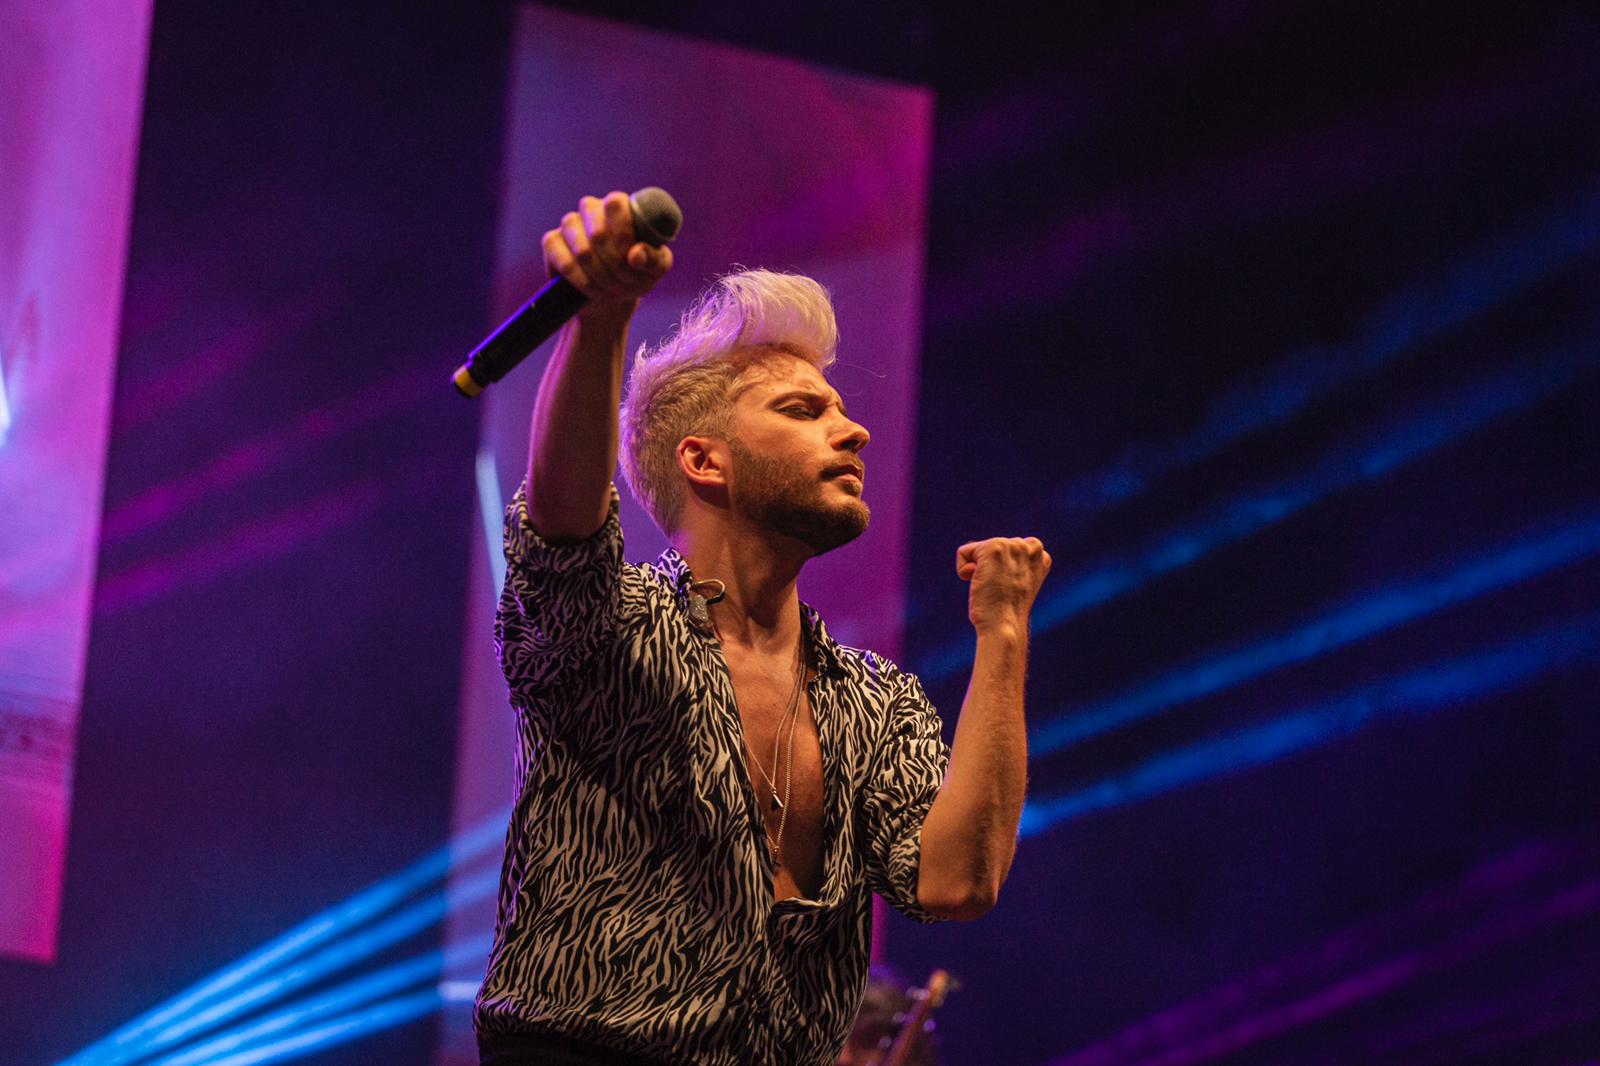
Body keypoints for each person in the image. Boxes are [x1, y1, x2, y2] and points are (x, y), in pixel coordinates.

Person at [473, 191, 1051, 1066]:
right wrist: (603, 317)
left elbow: (956, 880)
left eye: (838, 410)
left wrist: (1002, 635)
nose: (854, 430)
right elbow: (563, 527)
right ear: (705, 461)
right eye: (803, 411)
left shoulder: (874, 702)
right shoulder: (616, 627)